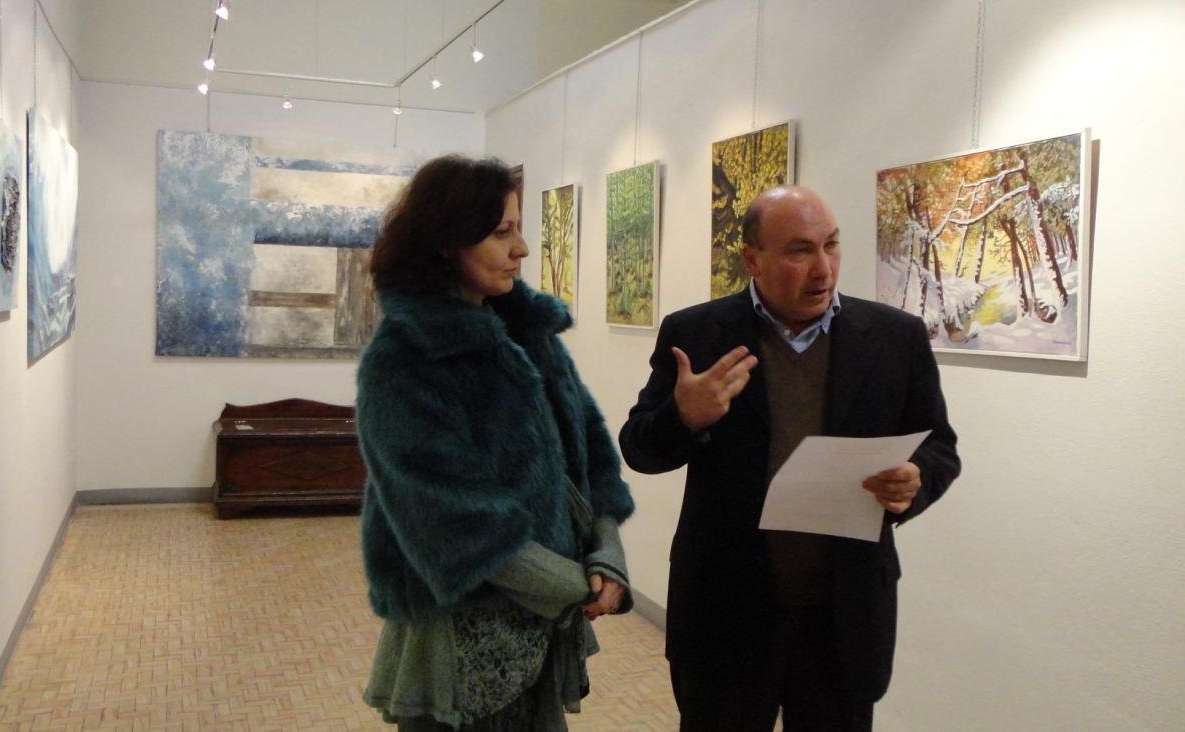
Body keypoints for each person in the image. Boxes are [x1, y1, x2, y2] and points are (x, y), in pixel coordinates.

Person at [618, 185, 960, 731]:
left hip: (843, 617)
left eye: (831, 245)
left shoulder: (895, 338)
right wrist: (684, 417)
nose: (823, 268)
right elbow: (638, 448)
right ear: (752, 259)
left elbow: (939, 445)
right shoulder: (697, 333)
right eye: (800, 251)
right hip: (725, 612)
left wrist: (915, 480)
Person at [357, 155, 636, 730]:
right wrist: (576, 585)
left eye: (519, 229)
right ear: (446, 243)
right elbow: (455, 523)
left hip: (541, 626)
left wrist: (607, 550)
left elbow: (589, 453)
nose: (522, 249)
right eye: (501, 232)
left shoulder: (528, 335)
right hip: (460, 640)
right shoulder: (406, 359)